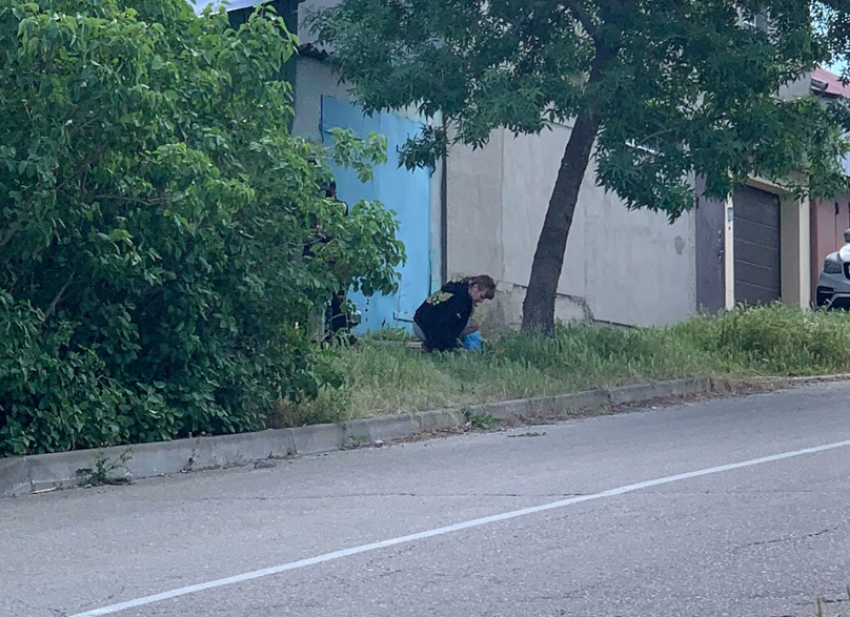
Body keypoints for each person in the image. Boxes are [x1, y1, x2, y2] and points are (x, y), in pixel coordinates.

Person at [413, 275, 496, 352]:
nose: (481, 301)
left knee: (471, 324)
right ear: (475, 287)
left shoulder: (457, 288)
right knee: (469, 326)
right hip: (424, 328)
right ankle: (429, 345)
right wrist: (450, 346)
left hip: (418, 321)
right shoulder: (460, 301)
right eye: (481, 297)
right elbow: (443, 325)